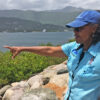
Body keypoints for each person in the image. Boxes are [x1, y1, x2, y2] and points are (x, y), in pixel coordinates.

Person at [4, 10, 100, 100]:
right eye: (74, 28)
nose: (74, 32)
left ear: (94, 28)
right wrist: (23, 49)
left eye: (79, 29)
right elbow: (50, 50)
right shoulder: (75, 47)